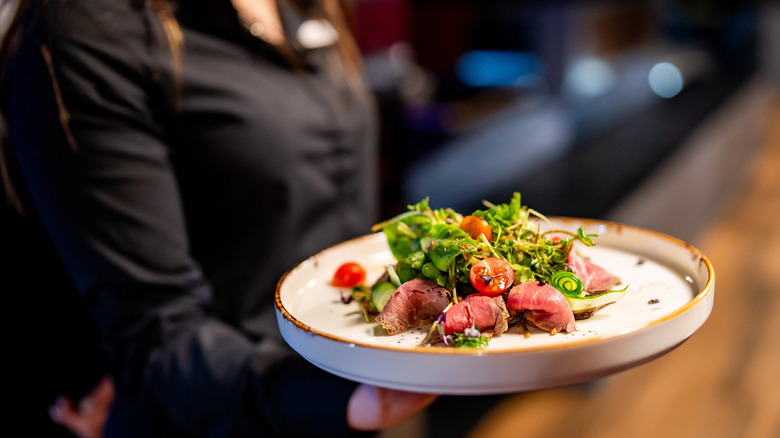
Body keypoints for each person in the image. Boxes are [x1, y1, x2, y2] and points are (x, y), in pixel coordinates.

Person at [0, 0, 436, 436]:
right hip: (237, 410)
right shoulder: (87, 29)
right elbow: (157, 329)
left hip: (369, 385)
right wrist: (345, 399)